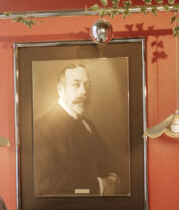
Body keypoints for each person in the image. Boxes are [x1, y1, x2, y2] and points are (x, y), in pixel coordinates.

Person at [33, 64, 121, 197]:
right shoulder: (41, 129)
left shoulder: (88, 124)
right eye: (76, 85)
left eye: (87, 85)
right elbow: (45, 184)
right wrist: (100, 186)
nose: (84, 91)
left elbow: (108, 161)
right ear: (60, 89)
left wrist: (113, 178)